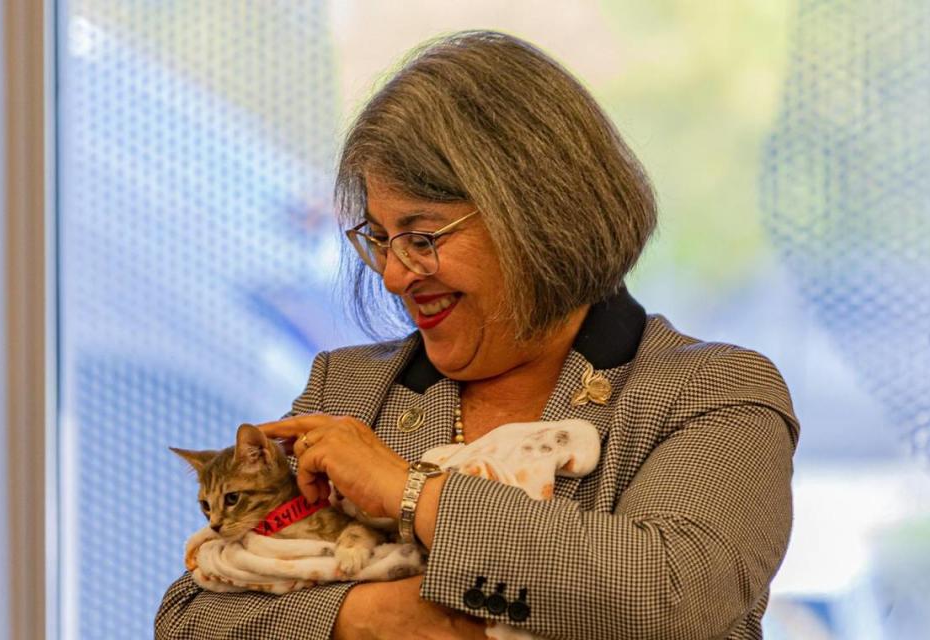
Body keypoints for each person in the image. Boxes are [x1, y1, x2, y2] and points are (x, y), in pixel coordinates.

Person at [156, 30, 798, 640]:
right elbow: (191, 617)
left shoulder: (712, 392)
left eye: (423, 236)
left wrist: (411, 493)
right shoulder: (348, 388)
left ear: (542, 214)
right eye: (380, 240)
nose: (394, 276)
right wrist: (380, 618)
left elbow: (669, 593)